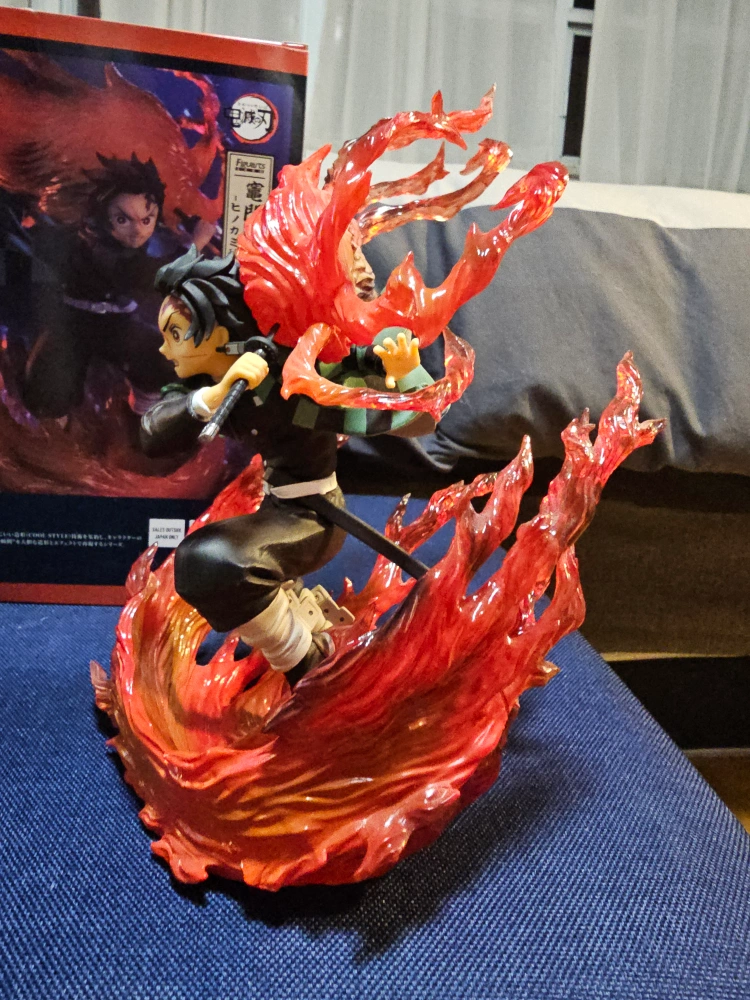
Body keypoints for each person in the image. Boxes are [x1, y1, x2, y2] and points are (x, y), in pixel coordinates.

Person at [140, 246, 433, 685]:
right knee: (204, 564)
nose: (165, 349)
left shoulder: (294, 386)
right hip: (276, 511)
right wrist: (212, 396)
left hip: (314, 518)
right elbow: (152, 434)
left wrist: (407, 373)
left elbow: (417, 420)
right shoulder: (217, 388)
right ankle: (295, 619)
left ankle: (311, 666)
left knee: (208, 561)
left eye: (176, 334)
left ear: (218, 336)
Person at [22, 154, 175, 418]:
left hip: (117, 323)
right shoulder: (97, 243)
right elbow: (139, 274)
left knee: (161, 365)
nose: (138, 231)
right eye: (123, 220)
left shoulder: (125, 243)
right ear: (104, 216)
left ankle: (144, 411)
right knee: (47, 392)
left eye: (146, 220)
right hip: (73, 322)